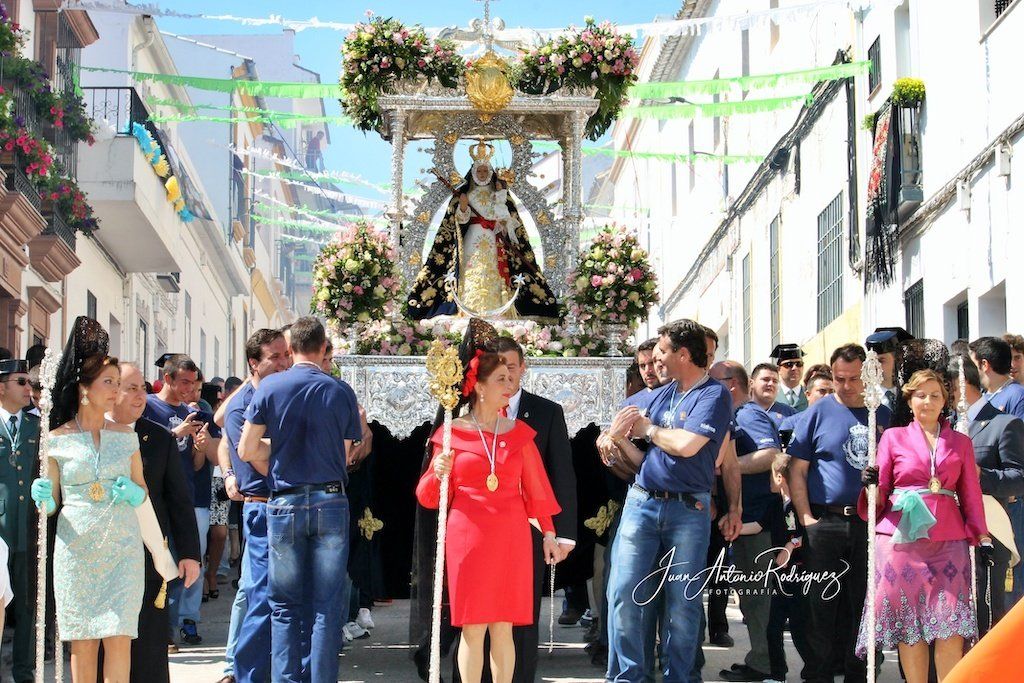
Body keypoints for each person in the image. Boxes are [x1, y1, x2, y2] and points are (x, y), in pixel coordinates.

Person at [416, 322, 561, 683]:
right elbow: (429, 497)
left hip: (511, 535)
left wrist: (549, 533)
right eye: (500, 379)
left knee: (504, 626)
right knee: (473, 626)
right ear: (479, 387)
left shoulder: (521, 435)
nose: (509, 386)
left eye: (510, 379)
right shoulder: (449, 434)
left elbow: (537, 489)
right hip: (468, 535)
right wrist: (438, 470)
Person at [605, 319, 735, 681]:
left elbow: (686, 445)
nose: (656, 359)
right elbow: (642, 459)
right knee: (624, 594)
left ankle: (681, 677)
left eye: (662, 351)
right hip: (641, 502)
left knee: (683, 603)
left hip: (687, 511)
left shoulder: (714, 395)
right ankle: (629, 677)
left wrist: (647, 429)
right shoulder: (663, 392)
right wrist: (618, 439)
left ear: (682, 354)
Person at [238, 316, 362, 683]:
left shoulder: (271, 388)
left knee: (284, 605)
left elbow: (245, 449)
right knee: (327, 604)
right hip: (330, 500)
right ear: (324, 349)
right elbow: (343, 456)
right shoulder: (340, 391)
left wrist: (277, 453)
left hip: (285, 501)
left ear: (289, 351)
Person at [30, 317, 146, 682]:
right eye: (108, 382)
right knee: (82, 642)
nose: (116, 390)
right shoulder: (57, 438)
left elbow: (142, 491)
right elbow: (50, 506)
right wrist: (43, 497)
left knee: (119, 636)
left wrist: (133, 493)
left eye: (117, 382)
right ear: (84, 388)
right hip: (76, 548)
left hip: (122, 546)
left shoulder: (126, 437)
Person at [857, 369, 989, 681]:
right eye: (920, 395)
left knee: (951, 627)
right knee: (910, 626)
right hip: (899, 541)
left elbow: (970, 494)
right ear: (910, 399)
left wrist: (982, 537)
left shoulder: (961, 442)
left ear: (946, 401)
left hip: (949, 541)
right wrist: (868, 485)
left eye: (934, 395)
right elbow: (879, 497)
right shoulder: (892, 437)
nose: (927, 401)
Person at [786, 343, 892, 683]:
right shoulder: (817, 413)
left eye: (854, 378)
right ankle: (817, 674)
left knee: (862, 604)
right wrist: (806, 520)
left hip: (869, 524)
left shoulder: (883, 415)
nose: (846, 386)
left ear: (868, 376)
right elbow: (797, 470)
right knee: (820, 605)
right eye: (839, 378)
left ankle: (858, 673)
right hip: (825, 521)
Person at [103, 362, 201, 683]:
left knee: (149, 650)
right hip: (102, 562)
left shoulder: (157, 438)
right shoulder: (89, 435)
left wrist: (189, 553)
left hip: (148, 561)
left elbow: (179, 500)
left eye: (143, 388)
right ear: (110, 391)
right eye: (131, 388)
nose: (140, 396)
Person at [406, 141, 558, 320]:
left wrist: (500, 220)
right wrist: (463, 208)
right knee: (471, 271)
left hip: (495, 240)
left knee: (495, 272)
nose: (482, 174)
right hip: (472, 241)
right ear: (473, 172)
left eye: (485, 171)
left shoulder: (501, 195)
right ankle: (467, 311)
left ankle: (499, 312)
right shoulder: (465, 194)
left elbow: (510, 220)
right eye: (479, 171)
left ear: (491, 172)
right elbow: (456, 224)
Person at [221, 328, 290, 683]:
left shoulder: (281, 394)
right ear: (254, 363)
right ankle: (244, 672)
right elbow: (256, 460)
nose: (283, 362)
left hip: (285, 506)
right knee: (259, 597)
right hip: (262, 508)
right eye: (274, 357)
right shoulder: (241, 406)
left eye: (285, 355)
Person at [709, 361, 781, 682]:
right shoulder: (732, 417)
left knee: (759, 599)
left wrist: (728, 466)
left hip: (758, 525)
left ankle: (767, 666)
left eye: (712, 382)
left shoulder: (748, 415)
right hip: (744, 523)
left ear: (731, 385)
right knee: (752, 599)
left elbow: (771, 455)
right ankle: (759, 659)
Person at [951, 356, 1024, 633]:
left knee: (988, 614)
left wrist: (981, 475)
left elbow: (1019, 479)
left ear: (961, 385)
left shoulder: (1004, 423)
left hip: (988, 535)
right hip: (948, 535)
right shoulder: (942, 427)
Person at [143, 353, 206, 647]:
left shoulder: (189, 411)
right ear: (167, 379)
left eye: (193, 383)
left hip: (184, 499)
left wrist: (200, 446)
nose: (188, 389)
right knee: (161, 567)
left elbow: (194, 464)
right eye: (183, 382)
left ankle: (180, 623)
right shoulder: (147, 407)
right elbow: (143, 452)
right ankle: (162, 633)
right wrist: (174, 434)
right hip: (154, 502)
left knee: (189, 563)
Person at [971, 335, 1024, 608]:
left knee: (1007, 584)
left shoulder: (1016, 396)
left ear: (983, 365)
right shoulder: (989, 398)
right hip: (985, 506)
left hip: (1007, 503)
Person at [0, 358, 41, 683]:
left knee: (27, 605)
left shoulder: (34, 428)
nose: (30, 389)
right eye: (22, 382)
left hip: (27, 529)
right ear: (2, 387)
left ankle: (24, 672)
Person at [865, 327, 915, 411]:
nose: (874, 366)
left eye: (881, 361)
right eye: (871, 360)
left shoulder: (911, 395)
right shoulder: (866, 398)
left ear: (898, 360)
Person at [749, 362, 795, 428]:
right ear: (751, 383)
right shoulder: (740, 413)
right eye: (766, 379)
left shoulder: (790, 414)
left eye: (775, 381)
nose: (771, 384)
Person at [772, 344, 808, 412]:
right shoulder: (772, 396)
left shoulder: (809, 394)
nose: (794, 368)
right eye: (789, 364)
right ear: (778, 369)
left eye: (799, 364)